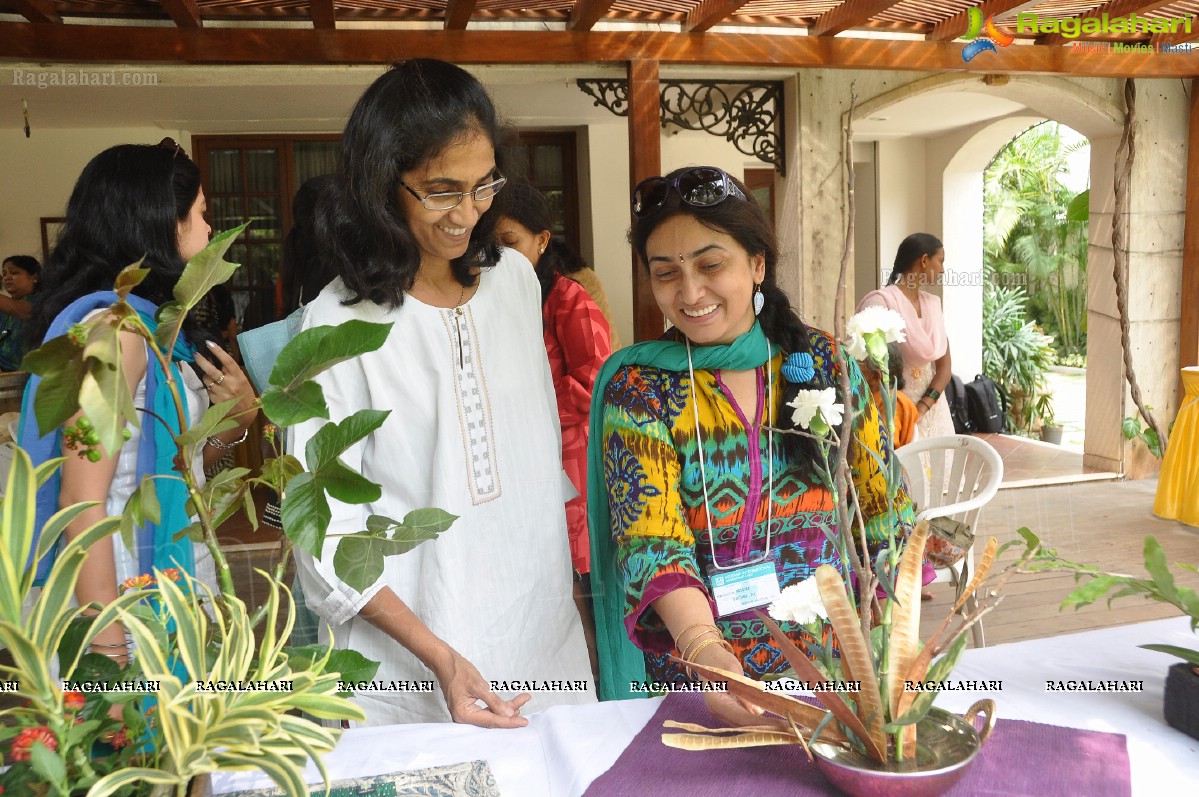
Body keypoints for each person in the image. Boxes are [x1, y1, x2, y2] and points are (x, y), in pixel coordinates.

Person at [291, 59, 594, 727]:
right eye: (440, 190)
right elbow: (323, 532)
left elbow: (531, 467)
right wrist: (441, 658)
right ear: (381, 185)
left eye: (483, 184)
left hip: (540, 639)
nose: (468, 212)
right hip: (414, 664)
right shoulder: (338, 322)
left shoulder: (515, 277)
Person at [588, 166, 919, 724]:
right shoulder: (642, 388)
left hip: (835, 666)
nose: (689, 293)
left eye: (711, 265)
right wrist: (708, 656)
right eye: (665, 273)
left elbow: (883, 506)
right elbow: (652, 540)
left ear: (758, 264)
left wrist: (894, 640)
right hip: (704, 681)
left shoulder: (825, 364)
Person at [19, 141, 258, 664]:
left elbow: (168, 470)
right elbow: (81, 504)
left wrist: (239, 421)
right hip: (122, 589)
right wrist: (108, 657)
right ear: (158, 221)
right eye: (200, 214)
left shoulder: (151, 329)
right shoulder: (117, 334)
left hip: (170, 571)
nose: (210, 229)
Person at [494, 177, 613, 677]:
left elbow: (595, 380)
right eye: (491, 245)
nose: (500, 256)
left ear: (542, 242)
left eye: (510, 243)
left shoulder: (568, 299)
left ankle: (594, 691)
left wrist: (526, 410)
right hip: (520, 461)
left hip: (568, 464)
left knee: (578, 591)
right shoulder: (499, 298)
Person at [857, 233, 955, 440]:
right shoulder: (881, 302)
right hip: (894, 409)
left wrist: (922, 408)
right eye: (941, 261)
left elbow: (944, 368)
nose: (943, 270)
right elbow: (867, 366)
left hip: (933, 410)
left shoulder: (933, 304)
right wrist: (903, 409)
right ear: (924, 260)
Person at [859, 341, 919, 449]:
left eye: (855, 364)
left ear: (874, 376)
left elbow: (887, 449)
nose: (848, 369)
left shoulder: (893, 402)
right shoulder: (869, 399)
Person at [0, 254, 40, 371]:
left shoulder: (43, 302)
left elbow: (24, 311)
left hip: (31, 376)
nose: (7, 277)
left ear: (34, 277)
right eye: (4, 274)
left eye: (14, 272)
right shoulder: (3, 313)